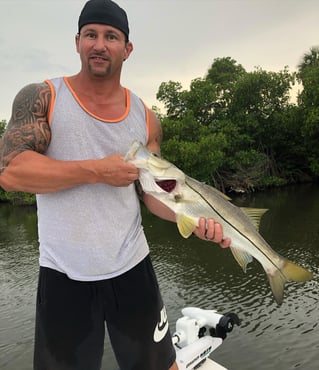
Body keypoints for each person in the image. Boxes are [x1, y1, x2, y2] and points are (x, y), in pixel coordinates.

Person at [0, 0, 231, 369]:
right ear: (77, 42)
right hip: (63, 275)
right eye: (90, 34)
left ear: (127, 49)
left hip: (131, 268)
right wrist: (95, 171)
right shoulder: (42, 97)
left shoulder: (146, 118)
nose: (99, 44)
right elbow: (11, 172)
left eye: (111, 36)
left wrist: (193, 220)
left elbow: (154, 196)